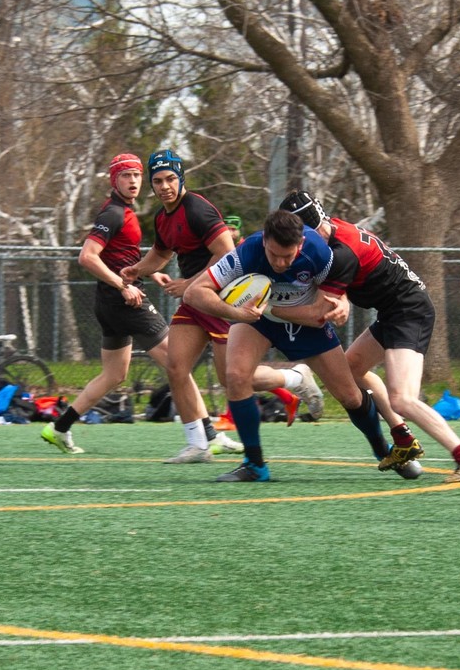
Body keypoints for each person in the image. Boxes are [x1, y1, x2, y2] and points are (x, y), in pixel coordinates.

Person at [279, 190, 460, 483]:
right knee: (351, 368)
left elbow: (319, 312)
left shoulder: (341, 253)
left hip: (408, 311)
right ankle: (403, 439)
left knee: (402, 398)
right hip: (395, 310)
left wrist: (266, 306)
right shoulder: (335, 233)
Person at [125, 149, 317, 462]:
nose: (164, 186)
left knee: (232, 379)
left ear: (181, 177)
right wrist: (137, 269)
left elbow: (226, 251)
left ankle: (296, 377)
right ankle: (199, 445)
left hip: (223, 298)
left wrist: (190, 284)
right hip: (196, 299)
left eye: (171, 178)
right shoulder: (163, 217)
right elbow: (160, 255)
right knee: (175, 367)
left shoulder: (197, 210)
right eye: (158, 181)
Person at [183, 210, 395, 482]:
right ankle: (255, 464)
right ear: (264, 243)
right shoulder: (247, 252)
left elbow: (331, 299)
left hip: (306, 320)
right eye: (274, 255)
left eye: (288, 256)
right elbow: (194, 293)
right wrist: (237, 313)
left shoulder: (317, 250)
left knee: (350, 396)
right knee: (234, 377)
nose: (281, 263)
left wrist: (342, 303)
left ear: (301, 245)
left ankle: (382, 450)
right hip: (257, 320)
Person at [43, 153, 178, 455]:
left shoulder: (124, 213)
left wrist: (152, 271)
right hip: (123, 302)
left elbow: (120, 254)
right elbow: (87, 257)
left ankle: (59, 427)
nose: (133, 181)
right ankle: (206, 434)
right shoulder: (113, 214)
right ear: (113, 180)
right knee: (177, 360)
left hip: (110, 303)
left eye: (137, 175)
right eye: (125, 175)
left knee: (114, 375)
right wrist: (122, 286)